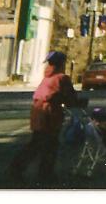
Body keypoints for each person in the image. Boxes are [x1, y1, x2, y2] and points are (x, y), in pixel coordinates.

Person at [8, 51, 82, 184]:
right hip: (49, 114)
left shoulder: (47, 77)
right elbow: (70, 98)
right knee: (50, 144)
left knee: (37, 143)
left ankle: (20, 168)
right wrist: (80, 103)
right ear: (62, 63)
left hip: (37, 111)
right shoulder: (61, 78)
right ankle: (43, 173)